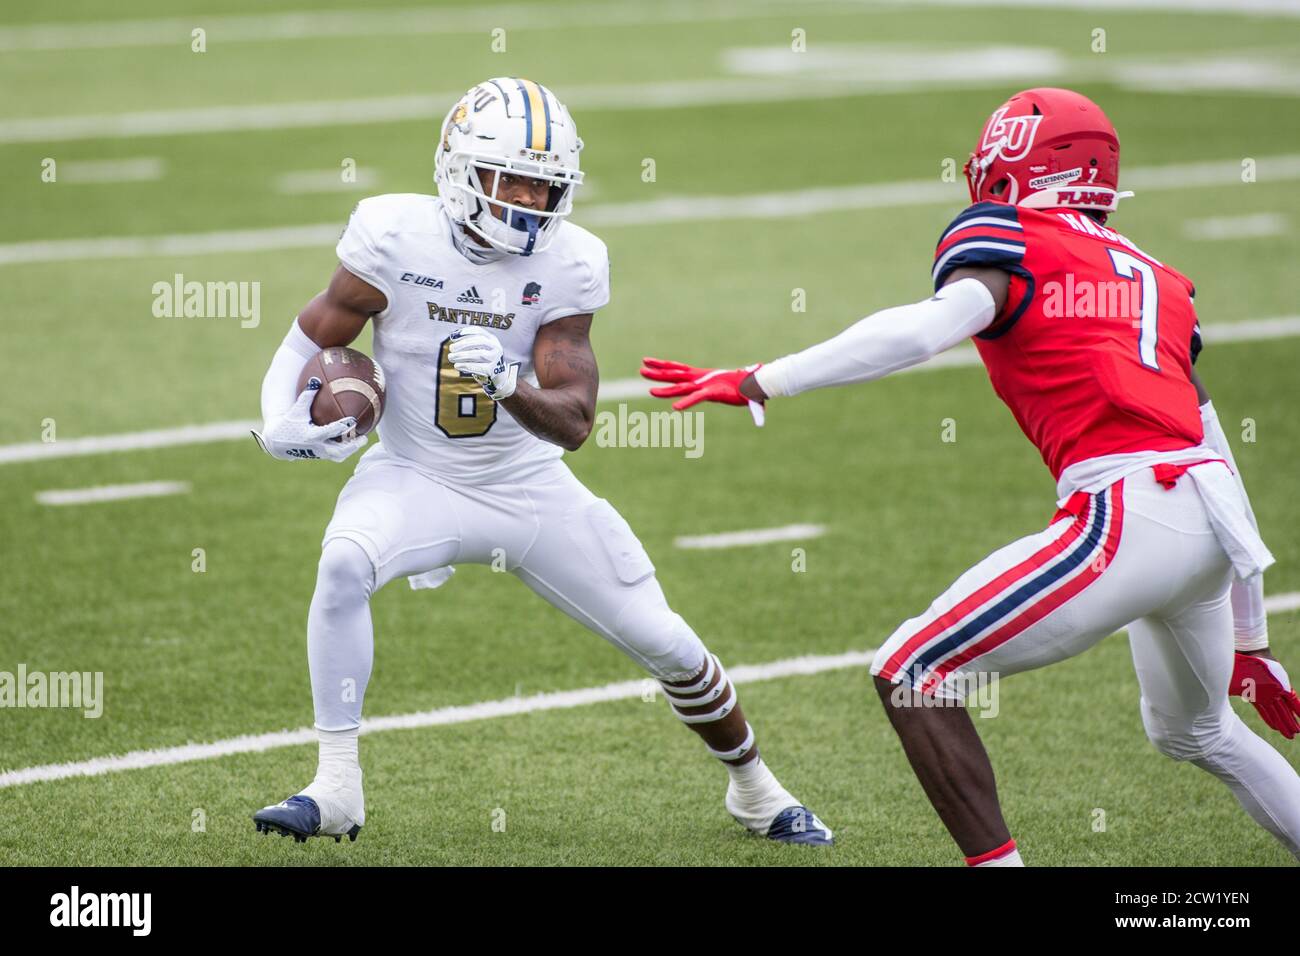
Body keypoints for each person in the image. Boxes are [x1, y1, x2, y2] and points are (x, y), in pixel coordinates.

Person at [642, 87, 1300, 865]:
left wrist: (764, 377)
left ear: (1020, 161)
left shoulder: (1013, 235)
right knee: (1197, 731)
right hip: (1207, 526)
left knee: (912, 671)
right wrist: (1249, 635)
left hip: (1130, 510)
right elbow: (1213, 440)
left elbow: (924, 332)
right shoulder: (1158, 275)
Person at [249, 77, 831, 846]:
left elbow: (576, 422)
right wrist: (279, 421)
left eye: (546, 184)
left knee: (667, 642)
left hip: (525, 487)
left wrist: (509, 384)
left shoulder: (570, 263)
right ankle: (335, 789)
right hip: (415, 474)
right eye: (513, 179)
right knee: (343, 564)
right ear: (459, 171)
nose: (529, 200)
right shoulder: (392, 236)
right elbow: (311, 335)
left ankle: (756, 791)